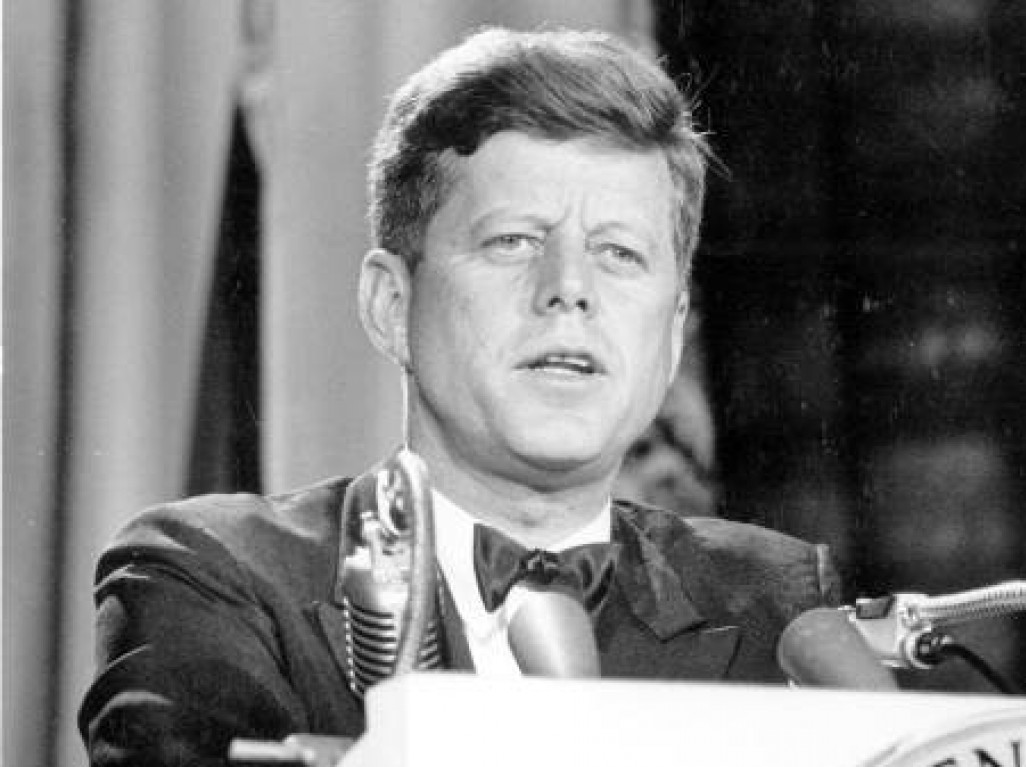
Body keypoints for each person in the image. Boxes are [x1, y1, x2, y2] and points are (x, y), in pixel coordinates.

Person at [79, 27, 841, 767]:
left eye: (619, 252)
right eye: (513, 241)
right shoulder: (214, 576)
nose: (570, 289)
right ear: (392, 305)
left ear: (672, 334)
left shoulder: (777, 602)